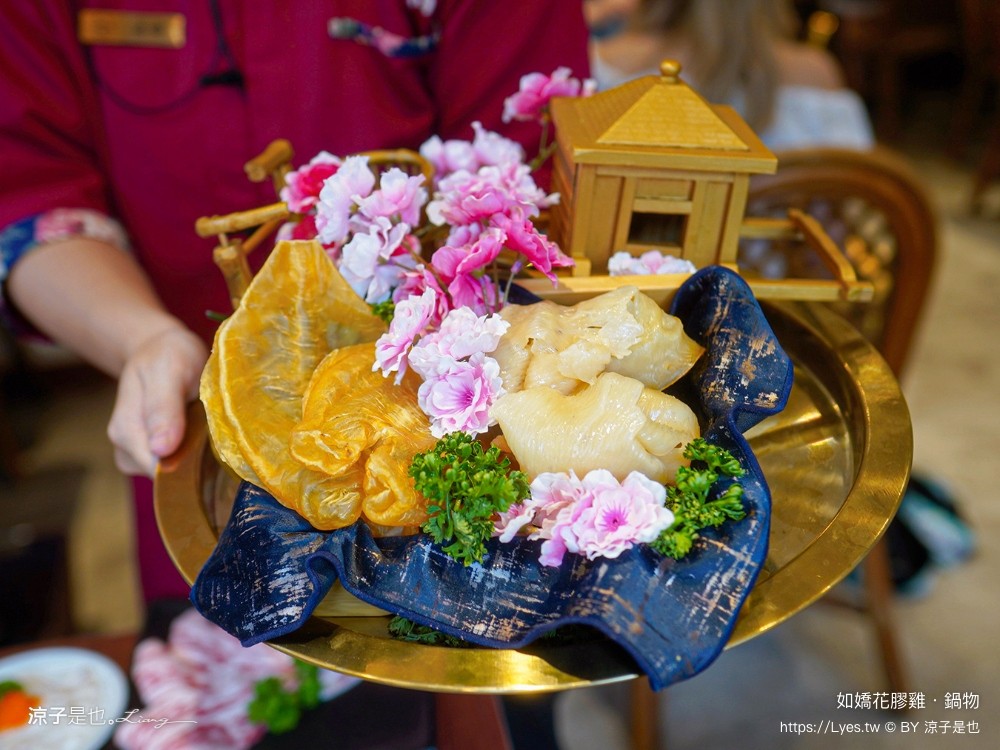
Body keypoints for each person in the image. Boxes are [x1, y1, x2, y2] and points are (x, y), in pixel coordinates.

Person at [0, 1, 590, 605]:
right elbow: (26, 190)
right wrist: (141, 339)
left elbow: (533, 177)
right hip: (193, 429)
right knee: (208, 670)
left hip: (448, 445)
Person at [586, 0, 875, 150]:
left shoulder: (607, 65)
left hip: (655, 265)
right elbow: (862, 206)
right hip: (792, 263)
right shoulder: (818, 74)